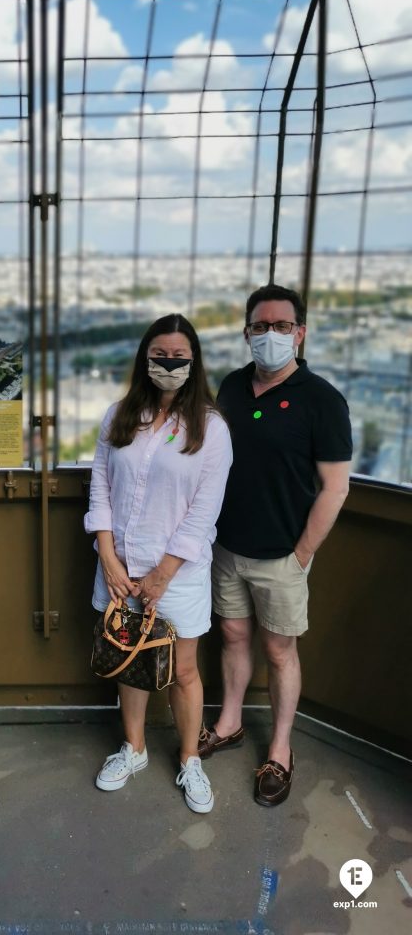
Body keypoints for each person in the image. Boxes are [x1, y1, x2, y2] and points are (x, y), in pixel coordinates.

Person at [201, 284, 352, 807]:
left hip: (282, 555)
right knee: (233, 636)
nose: (271, 335)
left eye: (282, 326)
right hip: (226, 547)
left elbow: (335, 487)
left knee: (279, 651)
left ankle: (281, 749)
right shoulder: (231, 386)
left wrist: (302, 554)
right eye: (260, 326)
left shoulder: (323, 400)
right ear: (247, 333)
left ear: (300, 333)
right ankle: (229, 722)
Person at [85, 314, 233, 814]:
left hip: (178, 575)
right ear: (144, 359)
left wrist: (162, 574)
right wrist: (107, 555)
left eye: (178, 358)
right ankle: (134, 748)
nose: (168, 365)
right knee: (130, 659)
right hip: (120, 570)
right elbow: (100, 485)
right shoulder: (120, 416)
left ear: (194, 362)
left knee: (184, 669)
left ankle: (190, 758)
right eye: (159, 356)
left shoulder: (212, 429)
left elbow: (203, 511)